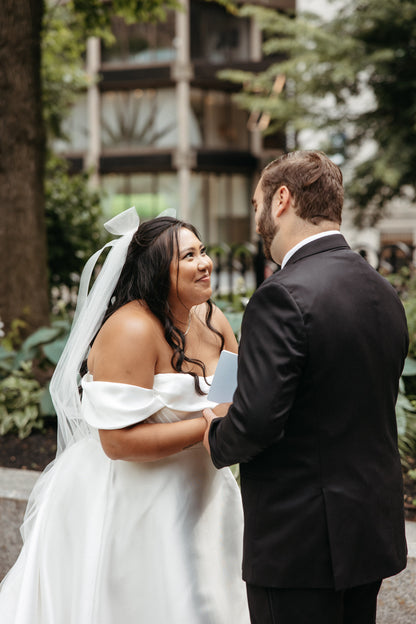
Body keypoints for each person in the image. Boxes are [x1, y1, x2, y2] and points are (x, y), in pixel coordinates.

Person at [0, 208, 250, 623]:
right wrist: (208, 427)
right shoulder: (131, 329)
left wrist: (225, 421)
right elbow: (117, 443)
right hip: (136, 498)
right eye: (188, 257)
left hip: (204, 493)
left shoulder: (214, 318)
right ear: (156, 271)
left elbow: (231, 393)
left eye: (202, 251)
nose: (205, 263)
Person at [203, 150, 409, 624]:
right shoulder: (381, 290)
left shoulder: (280, 295)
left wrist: (213, 432)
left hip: (299, 542)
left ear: (281, 199)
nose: (256, 218)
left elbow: (255, 421)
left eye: (256, 203)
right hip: (366, 530)